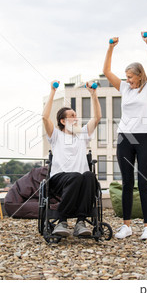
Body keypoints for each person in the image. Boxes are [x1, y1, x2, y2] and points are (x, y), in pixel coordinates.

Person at [103, 32, 147, 240]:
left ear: (139, 75)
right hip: (124, 138)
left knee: (143, 182)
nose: (127, 80)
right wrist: (111, 47)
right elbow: (106, 71)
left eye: (130, 77)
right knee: (127, 182)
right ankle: (126, 226)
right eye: (126, 77)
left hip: (144, 137)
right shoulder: (124, 88)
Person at [42, 80, 102, 237]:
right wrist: (52, 92)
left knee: (89, 176)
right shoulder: (56, 135)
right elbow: (44, 117)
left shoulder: (82, 135)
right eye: (72, 116)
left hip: (80, 179)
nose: (76, 118)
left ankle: (81, 222)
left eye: (76, 116)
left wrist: (93, 94)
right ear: (63, 121)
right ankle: (62, 221)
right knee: (75, 176)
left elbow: (97, 117)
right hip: (59, 179)